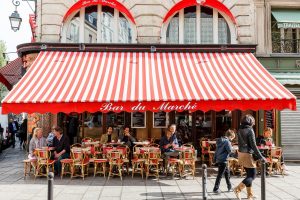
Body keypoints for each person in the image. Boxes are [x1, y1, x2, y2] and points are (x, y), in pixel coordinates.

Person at [234, 114, 265, 200]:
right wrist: (261, 156)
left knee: (249, 175)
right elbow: (254, 146)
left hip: (241, 154)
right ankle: (238, 189)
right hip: (248, 155)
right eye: (253, 121)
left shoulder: (240, 129)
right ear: (250, 122)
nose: (254, 123)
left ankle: (250, 195)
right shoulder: (250, 130)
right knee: (253, 176)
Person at [212, 129, 236, 194]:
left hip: (220, 159)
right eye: (232, 138)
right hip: (223, 160)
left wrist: (214, 159)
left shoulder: (220, 141)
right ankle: (215, 188)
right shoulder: (227, 142)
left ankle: (229, 186)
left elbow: (216, 151)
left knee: (227, 173)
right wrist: (235, 152)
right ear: (230, 136)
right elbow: (230, 151)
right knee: (220, 175)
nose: (232, 140)